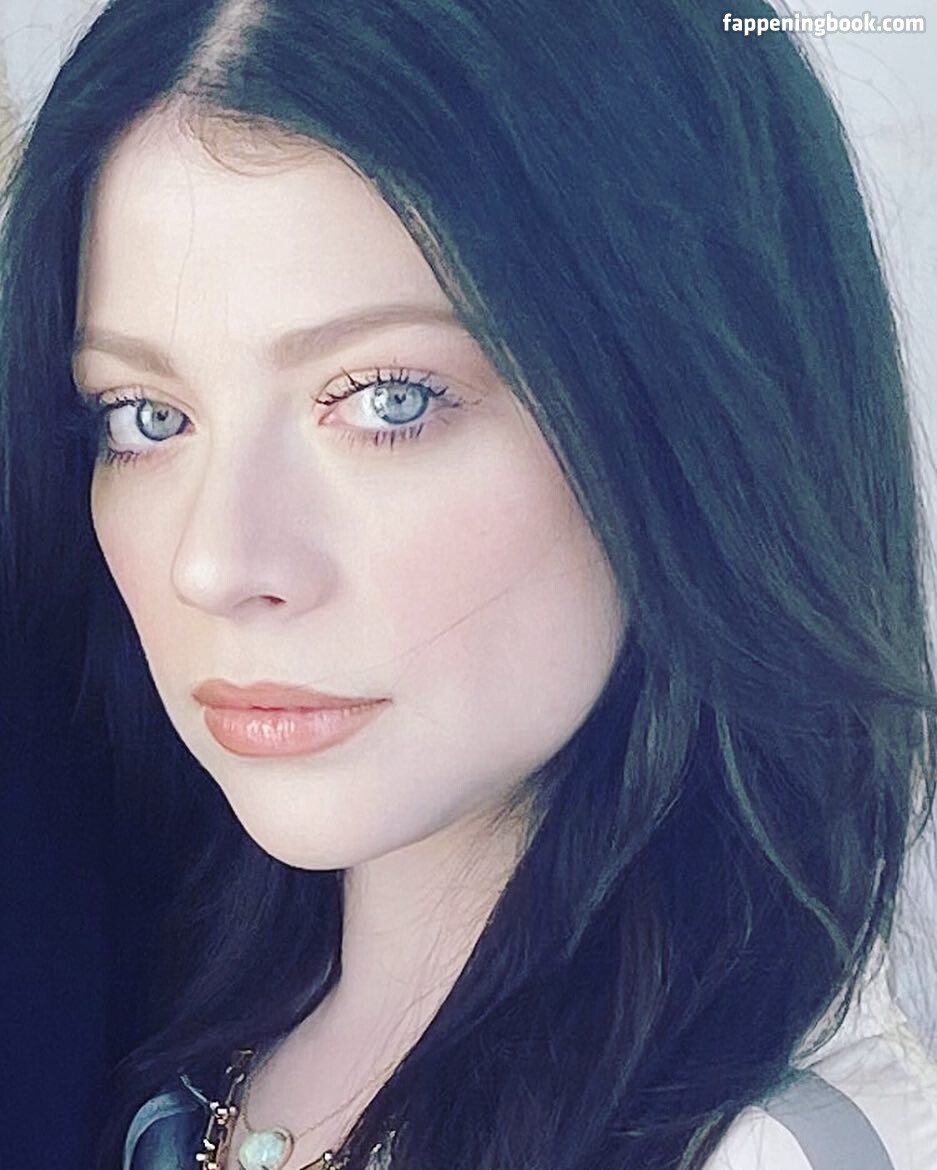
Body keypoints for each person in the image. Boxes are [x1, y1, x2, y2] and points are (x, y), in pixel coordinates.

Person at [1, 1, 936, 1167]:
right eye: (145, 417)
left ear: (696, 418)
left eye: (387, 398)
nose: (216, 565)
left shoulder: (780, 1148)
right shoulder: (131, 1011)